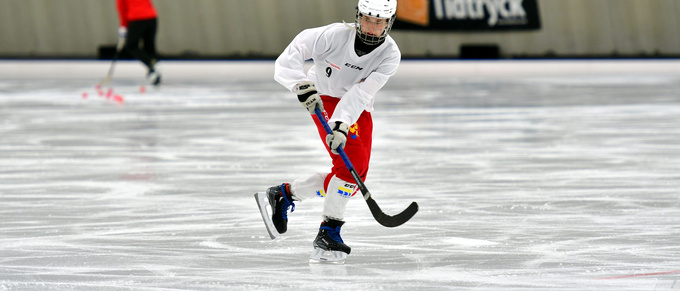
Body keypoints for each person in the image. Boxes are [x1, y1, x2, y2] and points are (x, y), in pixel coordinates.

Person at [267, 0, 400, 261]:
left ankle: (285, 194)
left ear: (389, 23)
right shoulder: (333, 36)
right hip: (323, 97)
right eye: (367, 20)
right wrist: (300, 85)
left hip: (357, 105)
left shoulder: (390, 54)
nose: (371, 28)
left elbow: (361, 94)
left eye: (379, 22)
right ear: (358, 16)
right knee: (349, 170)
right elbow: (291, 54)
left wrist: (341, 125)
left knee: (354, 172)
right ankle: (329, 230)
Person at [116, 0, 161, 85]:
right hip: (152, 17)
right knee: (149, 47)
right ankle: (154, 72)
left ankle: (152, 64)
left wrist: (123, 26)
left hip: (137, 19)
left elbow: (122, 9)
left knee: (131, 46)